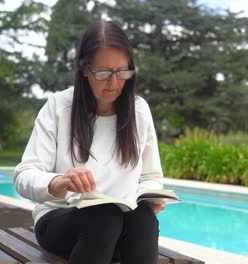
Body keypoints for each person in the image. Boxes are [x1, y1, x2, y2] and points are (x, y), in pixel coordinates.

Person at [14, 20, 165, 264]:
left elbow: (150, 176)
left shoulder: (139, 110)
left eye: (122, 71)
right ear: (84, 69)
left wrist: (152, 197)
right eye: (104, 73)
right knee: (103, 217)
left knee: (143, 219)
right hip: (61, 222)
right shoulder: (58, 107)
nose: (115, 83)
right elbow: (23, 176)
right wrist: (58, 181)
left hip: (121, 226)